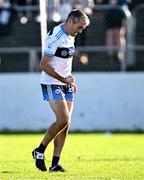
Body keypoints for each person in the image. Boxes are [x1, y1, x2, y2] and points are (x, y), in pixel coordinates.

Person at [32, 9, 90, 172]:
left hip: (65, 83)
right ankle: (39, 150)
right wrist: (63, 79)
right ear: (71, 21)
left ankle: (55, 164)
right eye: (80, 27)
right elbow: (44, 64)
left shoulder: (71, 35)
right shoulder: (55, 36)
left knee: (66, 124)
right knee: (63, 119)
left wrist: (69, 79)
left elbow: (63, 63)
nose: (81, 30)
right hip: (52, 82)